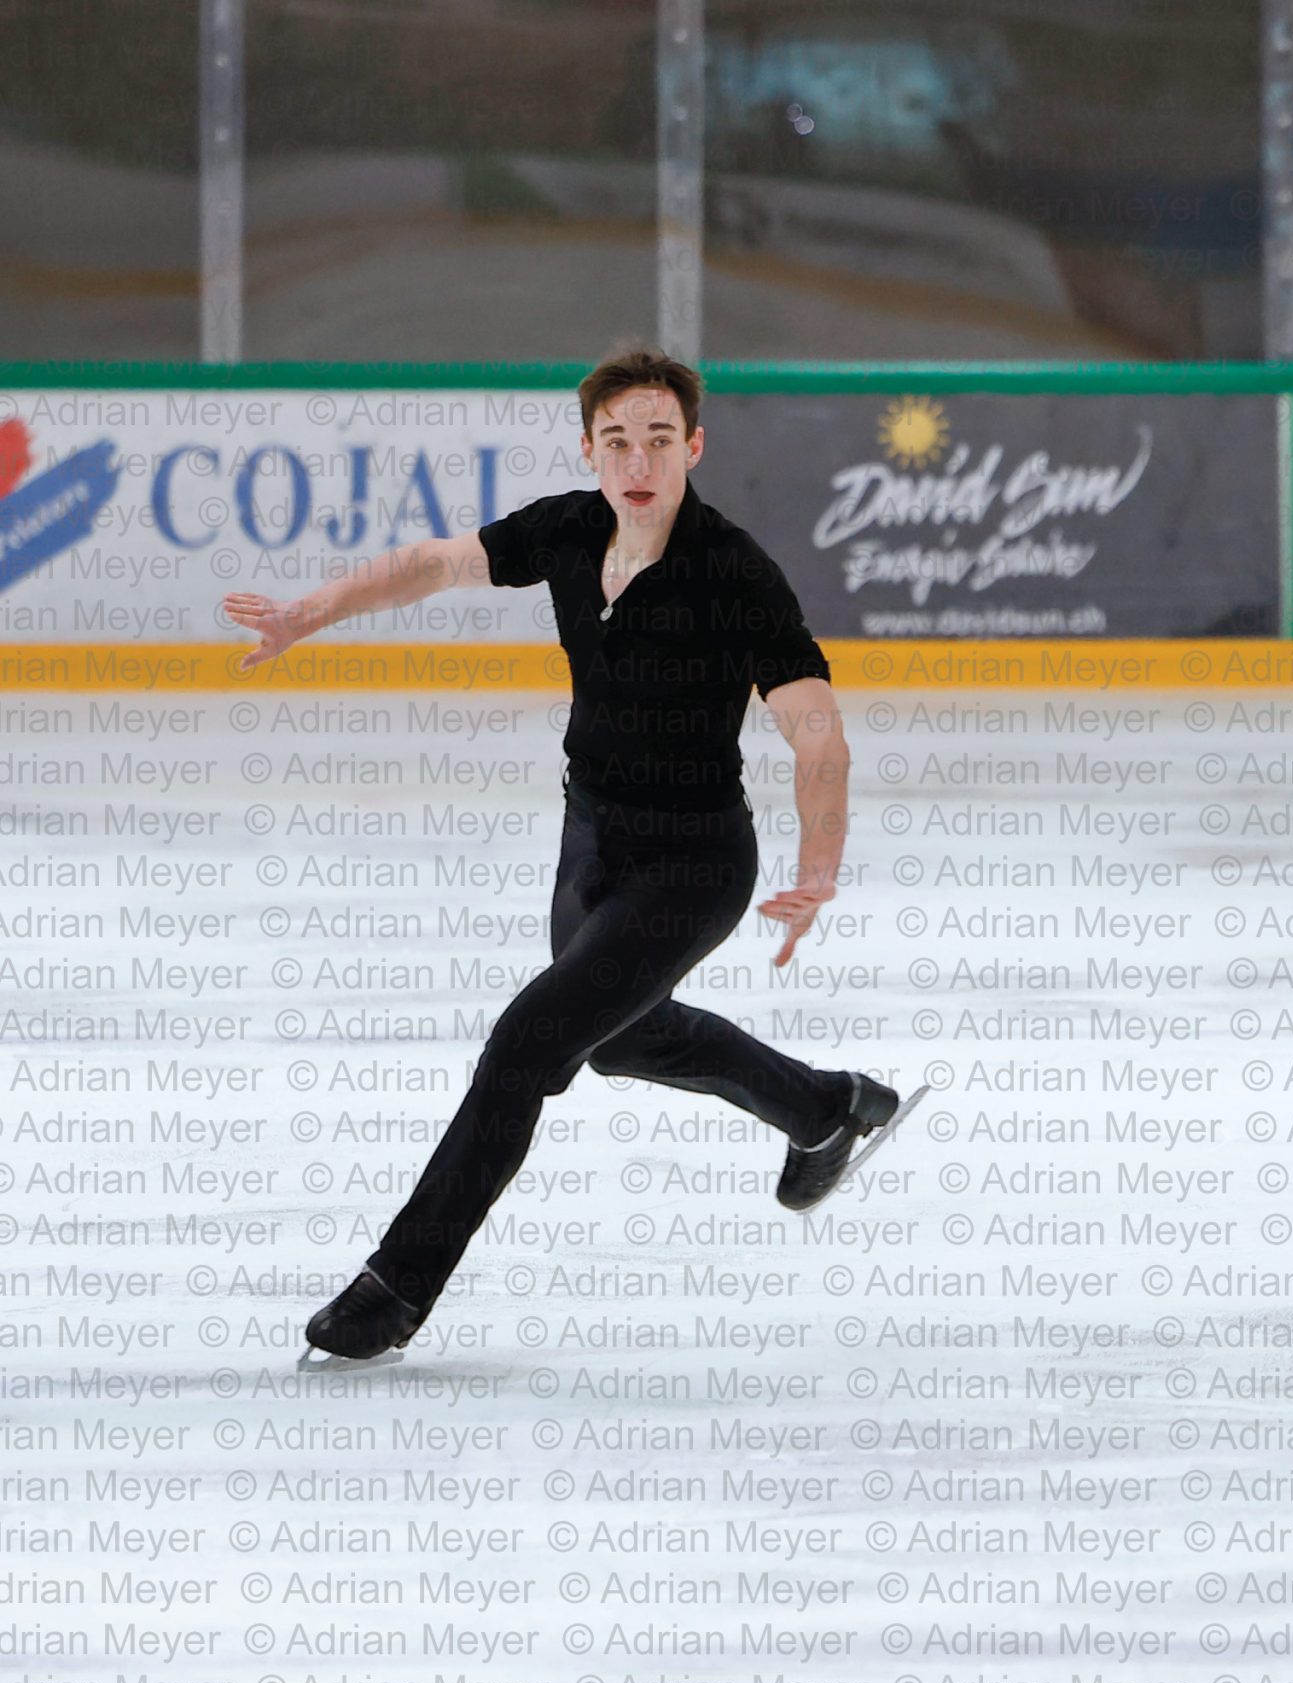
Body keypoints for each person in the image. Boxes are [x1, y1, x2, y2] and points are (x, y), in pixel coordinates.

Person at [221, 347, 920, 1366]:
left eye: (659, 439)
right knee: (621, 1038)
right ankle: (824, 1106)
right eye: (617, 441)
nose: (638, 461)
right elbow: (432, 563)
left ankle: (396, 1286)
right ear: (590, 450)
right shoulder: (568, 527)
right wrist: (308, 612)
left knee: (526, 1043)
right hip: (591, 838)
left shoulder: (733, 572)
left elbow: (817, 734)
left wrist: (819, 866)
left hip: (692, 864)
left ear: (695, 446)